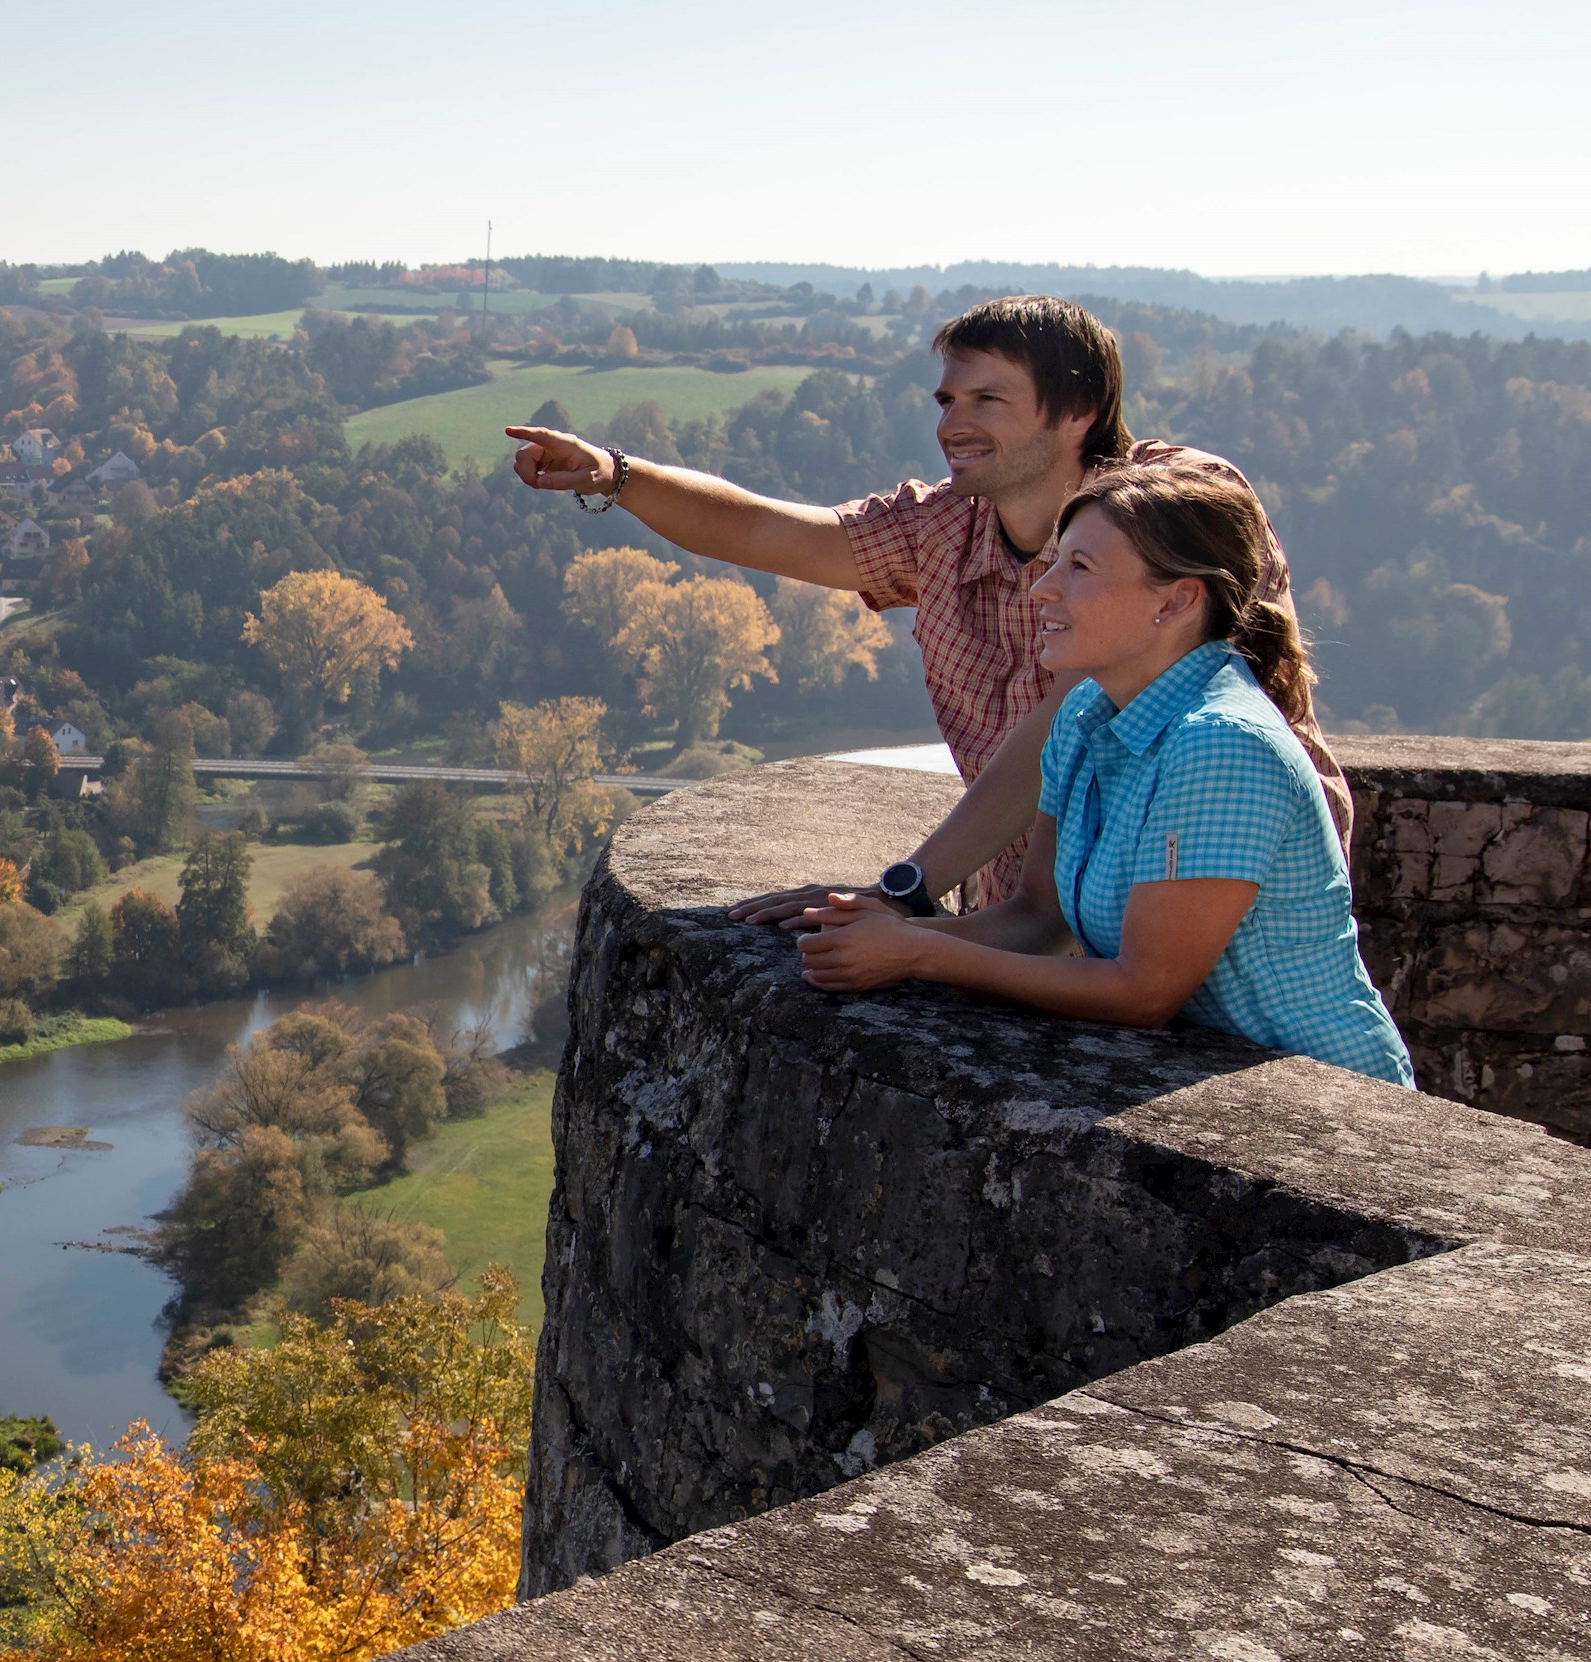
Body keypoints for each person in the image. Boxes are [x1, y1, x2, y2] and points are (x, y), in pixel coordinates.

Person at [503, 294, 1343, 913]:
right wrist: (616, 475)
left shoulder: (1176, 507)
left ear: (1079, 411)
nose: (953, 425)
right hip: (1033, 914)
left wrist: (903, 892)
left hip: (1217, 902)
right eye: (947, 400)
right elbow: (768, 533)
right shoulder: (943, 525)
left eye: (988, 400)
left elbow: (1063, 725)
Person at [778, 461, 1408, 1084]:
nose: (1042, 589)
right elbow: (1037, 917)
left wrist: (921, 952)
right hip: (1231, 1090)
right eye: (1056, 562)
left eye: (1079, 568)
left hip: (1337, 1105)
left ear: (1179, 600)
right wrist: (891, 923)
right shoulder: (1086, 712)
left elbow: (1143, 992)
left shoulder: (1221, 746)